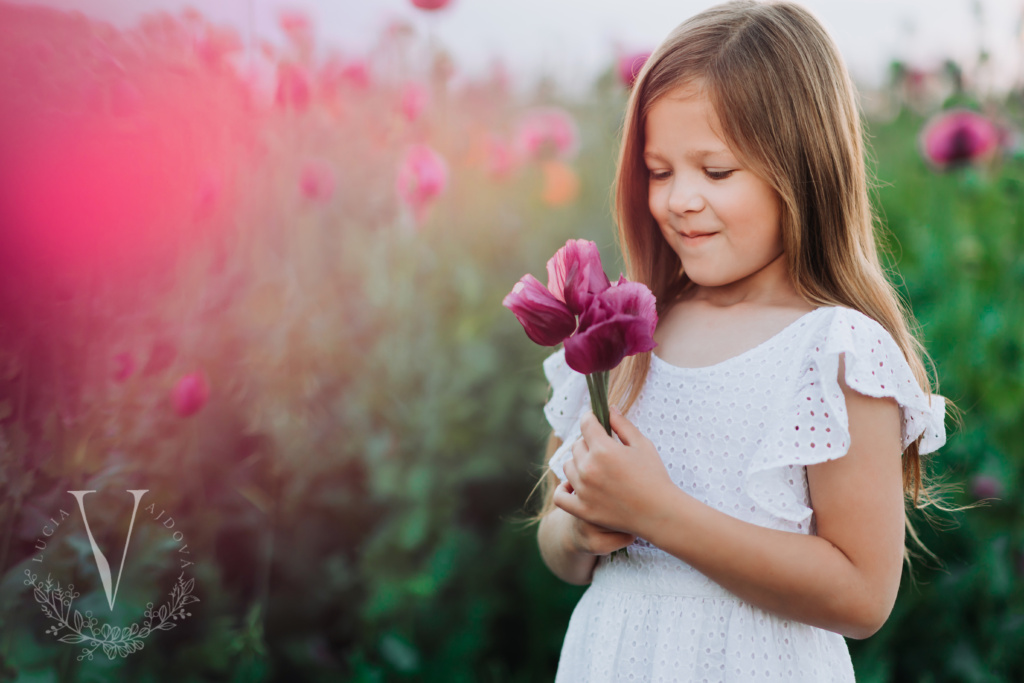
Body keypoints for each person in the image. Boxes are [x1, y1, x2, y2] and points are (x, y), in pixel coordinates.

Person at [532, 1, 949, 681]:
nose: (678, 199)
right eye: (659, 170)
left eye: (716, 171)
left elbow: (863, 593)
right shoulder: (623, 332)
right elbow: (556, 534)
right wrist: (581, 531)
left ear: (804, 168)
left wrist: (658, 513)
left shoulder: (834, 350)